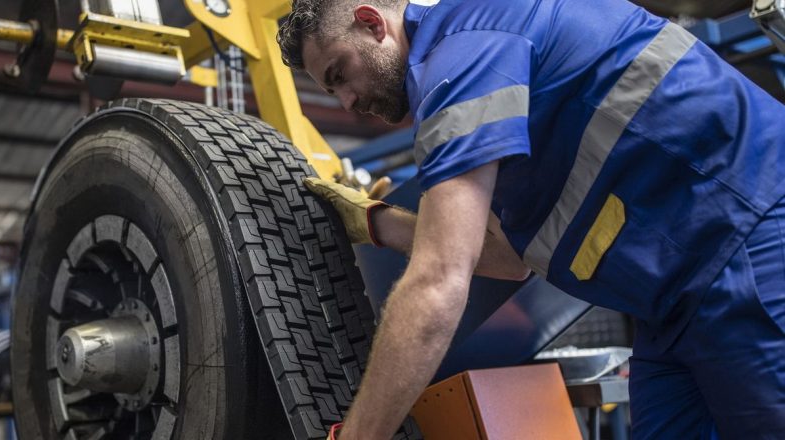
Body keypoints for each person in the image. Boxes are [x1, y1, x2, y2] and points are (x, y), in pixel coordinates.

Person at [276, 0, 785, 438]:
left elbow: (437, 282)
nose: (347, 101)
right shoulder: (470, 73)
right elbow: (507, 257)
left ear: (372, 23)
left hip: (747, 245)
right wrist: (374, 222)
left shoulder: (464, 56)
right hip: (673, 302)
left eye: (340, 74)